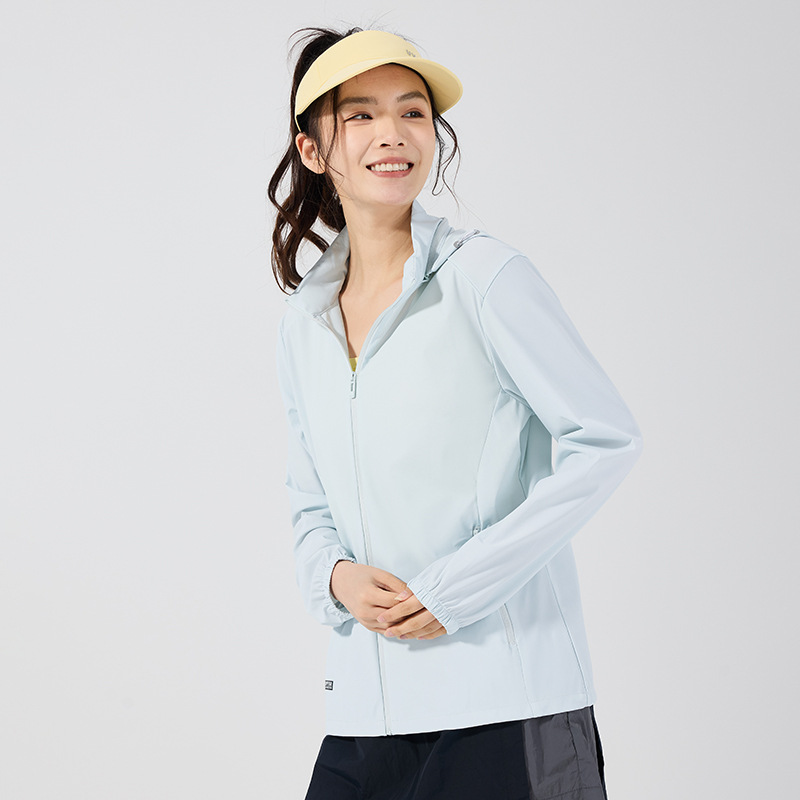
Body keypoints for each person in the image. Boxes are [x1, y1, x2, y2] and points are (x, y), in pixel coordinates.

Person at [269, 25, 643, 800]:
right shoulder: (306, 321)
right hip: (366, 716)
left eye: (412, 112)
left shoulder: (485, 277)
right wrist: (334, 578)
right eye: (361, 115)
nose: (393, 133)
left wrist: (459, 588)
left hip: (508, 705)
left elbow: (605, 440)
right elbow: (309, 501)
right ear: (313, 150)